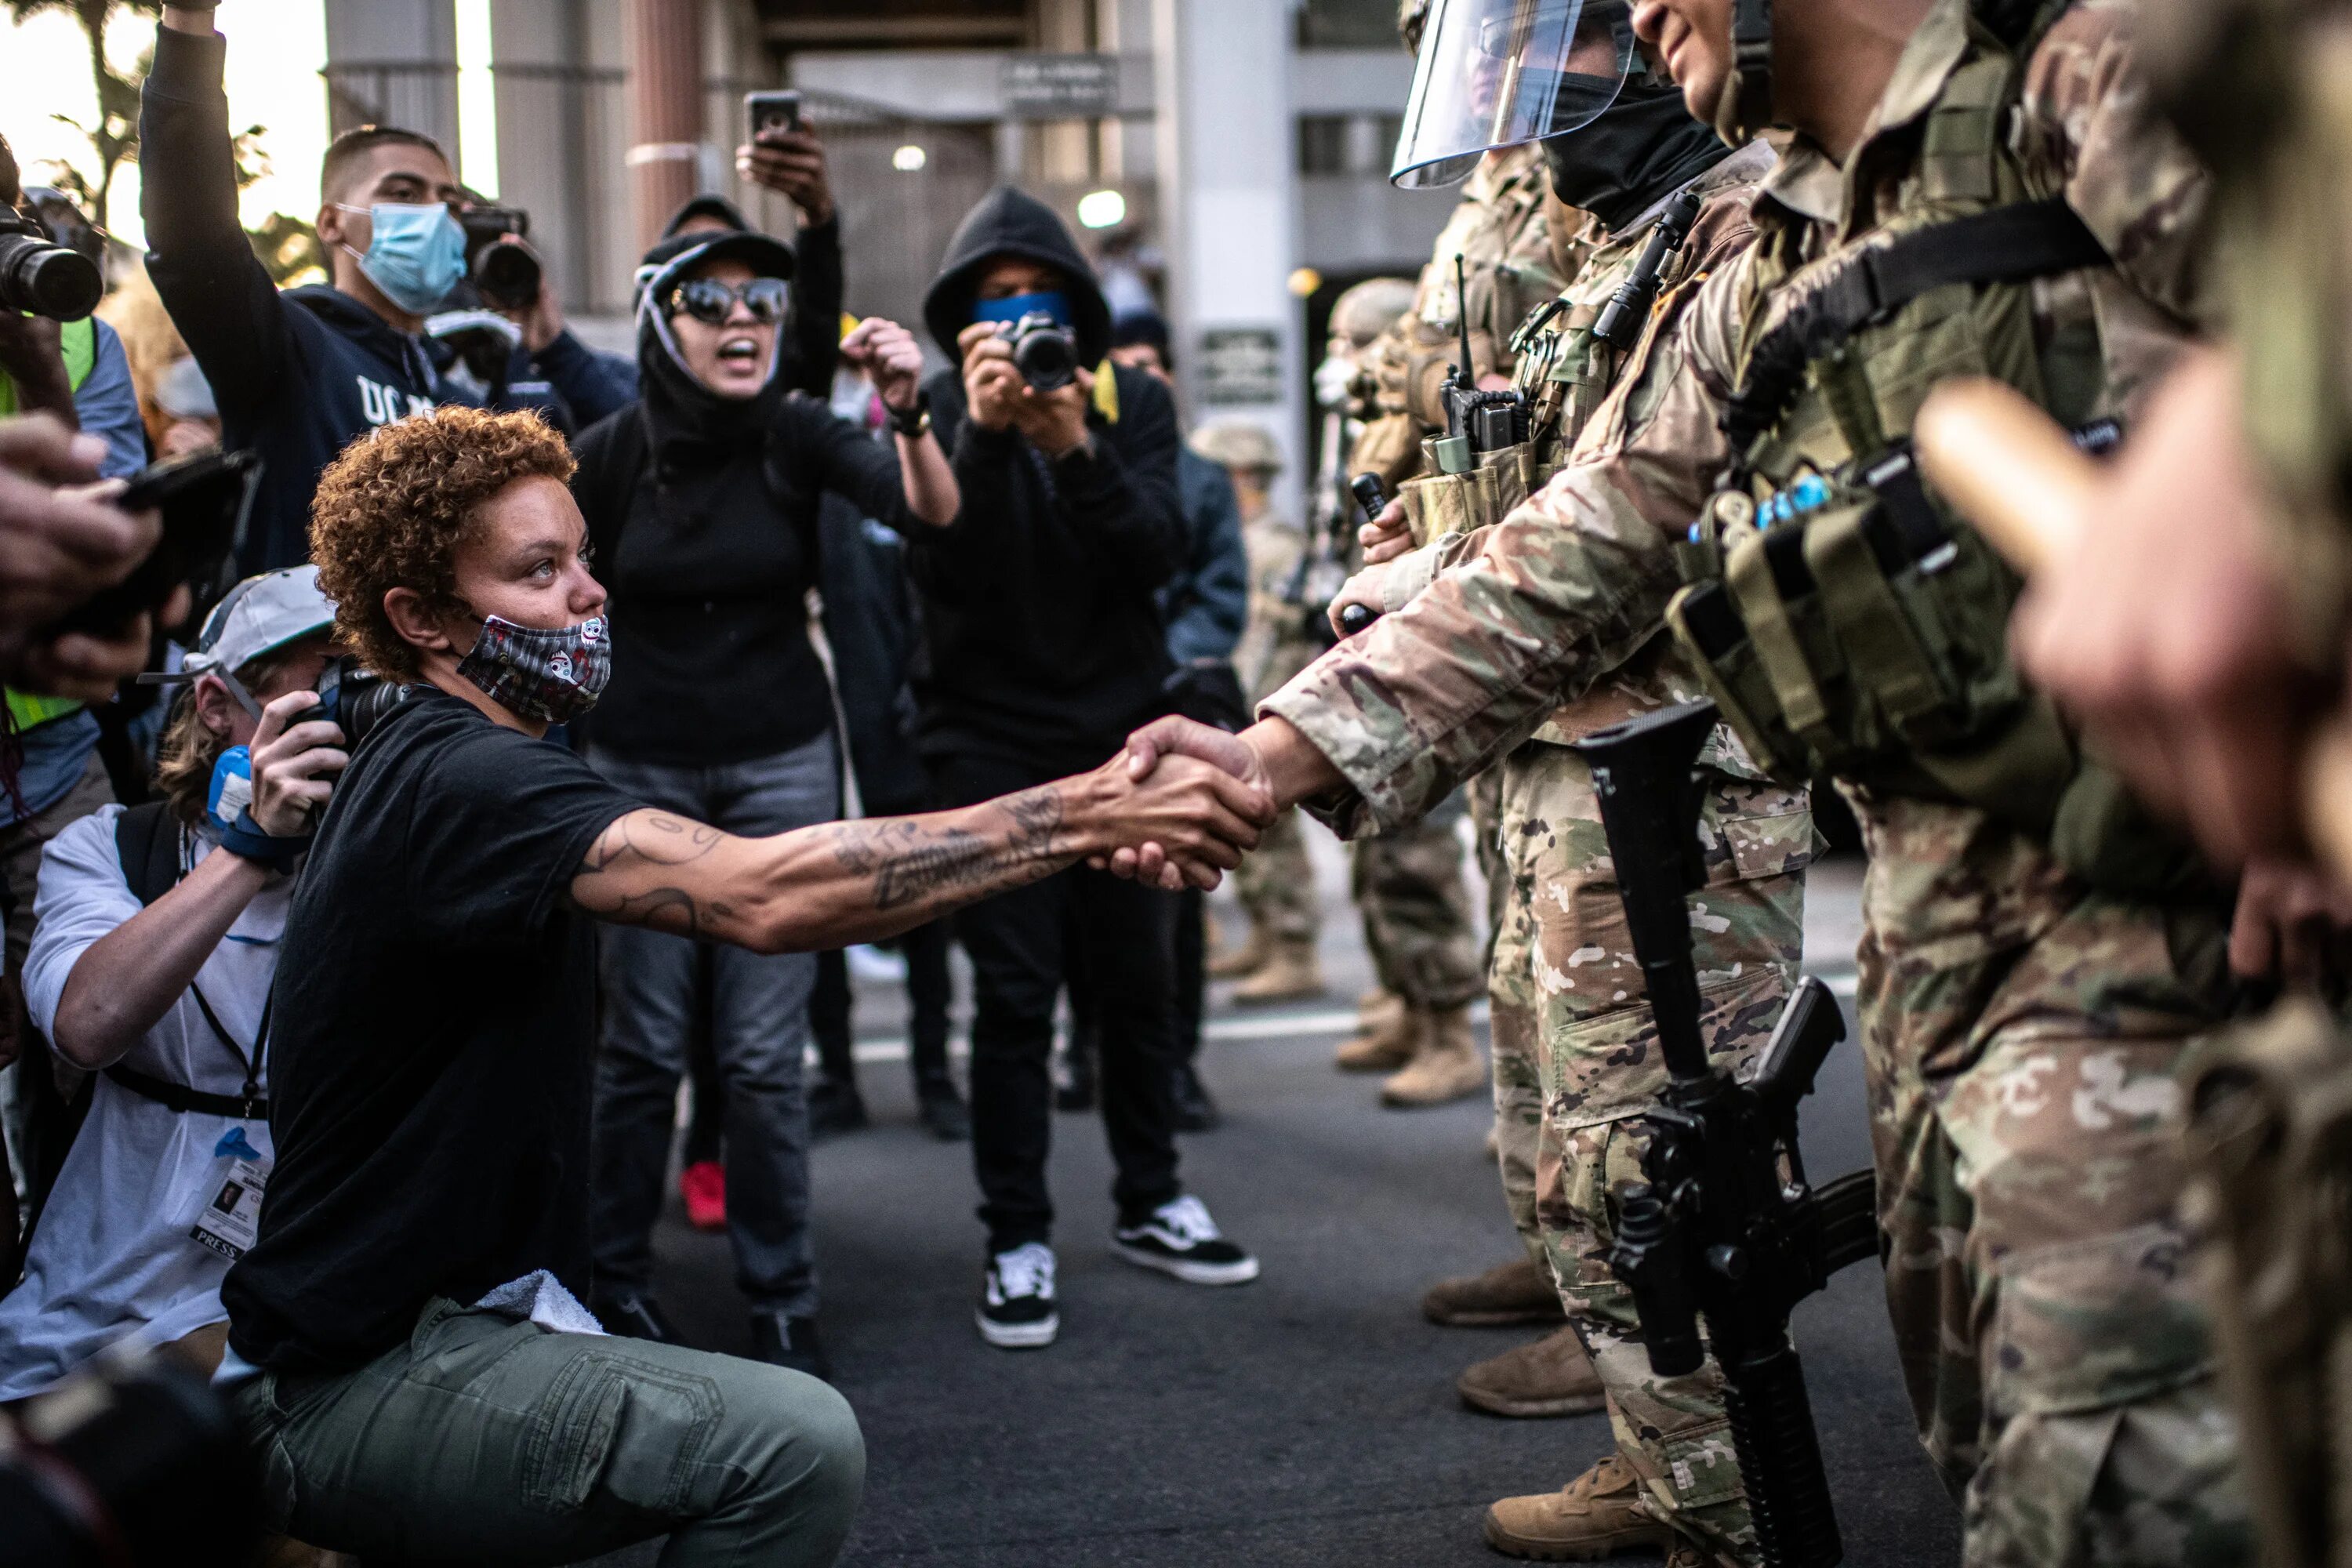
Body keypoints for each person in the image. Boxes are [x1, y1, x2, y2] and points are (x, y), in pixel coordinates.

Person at [1124, 0, 2256, 1559]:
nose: (1634, 16)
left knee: (2132, 1479)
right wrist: (1272, 748)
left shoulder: (2080, 81)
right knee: (1986, 1435)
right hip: (1953, 918)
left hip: (2183, 913)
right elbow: (1587, 538)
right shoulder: (1784, 239)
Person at [212, 404, 1266, 1565]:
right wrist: (1088, 807)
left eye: (586, 559)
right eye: (540, 571)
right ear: (420, 619)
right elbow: (769, 895)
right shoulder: (463, 776)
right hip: (359, 1376)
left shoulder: (432, 741)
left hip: (437, 1325)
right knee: (792, 1445)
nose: (590, 596)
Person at [1341, 9, 1808, 1555]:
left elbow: (1635, 522)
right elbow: (1558, 478)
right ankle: (1664, 1459)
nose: (1538, 116)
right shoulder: (1639, 243)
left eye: (1571, 60)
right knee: (1589, 1152)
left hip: (1677, 758)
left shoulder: (1742, 231)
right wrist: (1433, 545)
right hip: (1581, 734)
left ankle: (1719, 1505)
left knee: (1659, 1163)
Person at [565, 226, 956, 1377]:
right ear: (658, 319)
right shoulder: (610, 450)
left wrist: (912, 409)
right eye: (708, 300)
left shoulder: (798, 431)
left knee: (756, 1057)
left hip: (781, 769)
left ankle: (782, 1295)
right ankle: (614, 1284)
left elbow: (929, 512)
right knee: (638, 1048)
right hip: (637, 776)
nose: (742, 320)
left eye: (762, 301)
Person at [909, 185, 1259, 1349]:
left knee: (1137, 990)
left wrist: (1073, 445)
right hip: (987, 747)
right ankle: (1016, 1235)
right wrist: (983, 430)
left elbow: (1154, 551)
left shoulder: (1131, 401)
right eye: (995, 304)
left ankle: (1152, 1198)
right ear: (959, 321)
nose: (1021, 321)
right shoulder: (939, 414)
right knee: (1011, 1001)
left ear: (1082, 305)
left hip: (1121, 736)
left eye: (1040, 296)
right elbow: (946, 575)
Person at [0, 568, 337, 1400]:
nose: (351, 707)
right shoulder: (109, 848)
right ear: (219, 704)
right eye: (324, 680)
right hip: (107, 1292)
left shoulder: (387, 859)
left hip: (304, 1292)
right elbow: (87, 1023)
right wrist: (249, 849)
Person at [140, 2, 619, 574]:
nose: (436, 216)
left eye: (449, 202)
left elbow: (614, 465)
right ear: (332, 222)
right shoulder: (288, 346)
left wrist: (549, 342)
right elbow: (193, 232)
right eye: (404, 193)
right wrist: (189, 27)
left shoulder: (454, 388)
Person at [1088, 313, 1250, 1130]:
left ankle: (1176, 1064)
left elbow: (1221, 598)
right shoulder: (1075, 463)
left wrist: (1152, 660)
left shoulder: (1204, 477)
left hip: (1177, 696)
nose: (1139, 377)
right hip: (1092, 700)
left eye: (1151, 362)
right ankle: (1087, 1047)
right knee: (1084, 880)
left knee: (1173, 897)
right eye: (1122, 366)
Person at [1188, 416, 1327, 1006]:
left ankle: (1294, 950)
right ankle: (1269, 938)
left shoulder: (1275, 547)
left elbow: (1276, 640)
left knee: (1278, 842)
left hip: (1272, 707)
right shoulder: (1241, 541)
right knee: (1254, 842)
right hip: (1246, 707)